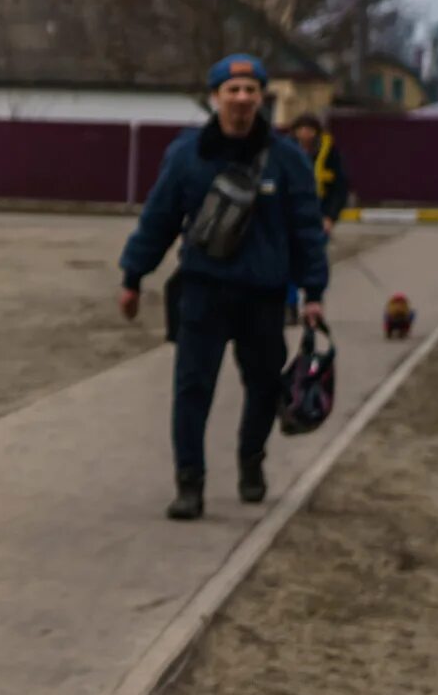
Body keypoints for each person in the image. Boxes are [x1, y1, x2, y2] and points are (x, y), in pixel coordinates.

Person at [119, 54, 330, 520]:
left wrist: (313, 292)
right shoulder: (187, 155)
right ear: (215, 97)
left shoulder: (287, 159)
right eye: (231, 91)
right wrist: (133, 276)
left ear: (261, 97)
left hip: (263, 296)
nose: (241, 99)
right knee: (192, 388)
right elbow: (158, 219)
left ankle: (251, 461)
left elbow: (306, 229)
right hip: (203, 291)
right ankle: (189, 483)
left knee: (262, 386)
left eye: (250, 90)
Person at [285, 112, 350, 324]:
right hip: (289, 217)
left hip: (318, 217)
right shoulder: (284, 152)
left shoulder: (329, 154)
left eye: (309, 129)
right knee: (288, 262)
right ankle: (290, 305)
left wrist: (330, 217)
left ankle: (313, 302)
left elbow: (339, 189)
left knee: (314, 260)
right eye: (301, 129)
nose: (305, 133)